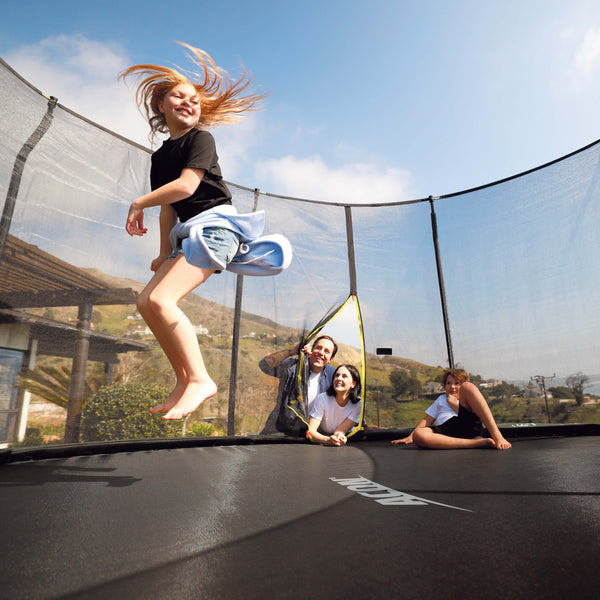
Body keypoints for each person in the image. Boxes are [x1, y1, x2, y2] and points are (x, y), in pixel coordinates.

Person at [121, 43, 269, 420]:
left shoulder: (200, 139)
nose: (189, 103)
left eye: (195, 100)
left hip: (217, 229)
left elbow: (186, 187)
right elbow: (169, 208)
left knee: (160, 302)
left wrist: (139, 201)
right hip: (190, 234)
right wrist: (162, 252)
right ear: (162, 105)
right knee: (145, 303)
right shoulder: (160, 156)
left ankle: (201, 380)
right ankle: (183, 381)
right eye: (179, 97)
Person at [391, 368, 511, 450]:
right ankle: (475, 443)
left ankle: (497, 436)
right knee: (419, 434)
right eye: (449, 383)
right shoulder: (441, 399)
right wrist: (411, 436)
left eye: (457, 383)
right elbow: (427, 419)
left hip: (467, 425)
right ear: (444, 386)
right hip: (445, 431)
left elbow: (477, 414)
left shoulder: (467, 399)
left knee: (469, 387)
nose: (452, 387)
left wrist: (454, 404)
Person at [259, 335, 338, 435]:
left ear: (331, 359)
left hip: (310, 434)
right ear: (312, 350)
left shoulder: (334, 375)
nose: (321, 352)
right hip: (280, 430)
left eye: (326, 351)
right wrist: (293, 350)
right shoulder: (293, 367)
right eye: (318, 348)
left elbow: (349, 396)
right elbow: (264, 365)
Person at [307, 364, 362, 446]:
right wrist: (327, 440)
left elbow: (340, 431)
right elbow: (311, 431)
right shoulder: (322, 399)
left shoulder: (358, 404)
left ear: (353, 384)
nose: (339, 378)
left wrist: (339, 437)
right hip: (322, 439)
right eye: (337, 375)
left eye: (344, 376)